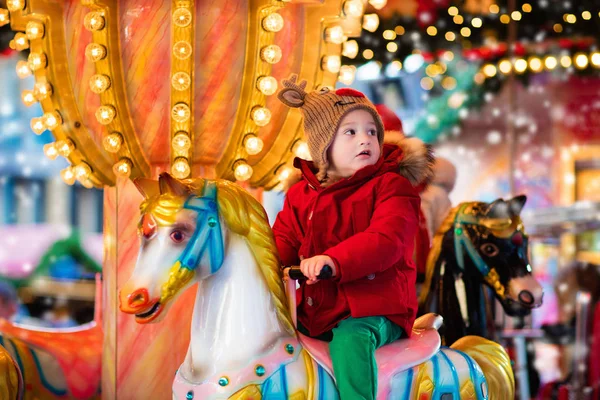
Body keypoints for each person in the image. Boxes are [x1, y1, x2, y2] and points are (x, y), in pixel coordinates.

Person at [273, 75, 432, 400]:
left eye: (371, 131)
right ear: (323, 145)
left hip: (376, 307)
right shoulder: (301, 195)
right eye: (351, 132)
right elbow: (282, 240)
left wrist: (334, 260)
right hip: (317, 309)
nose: (365, 140)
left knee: (350, 342)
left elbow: (387, 239)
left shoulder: (391, 187)